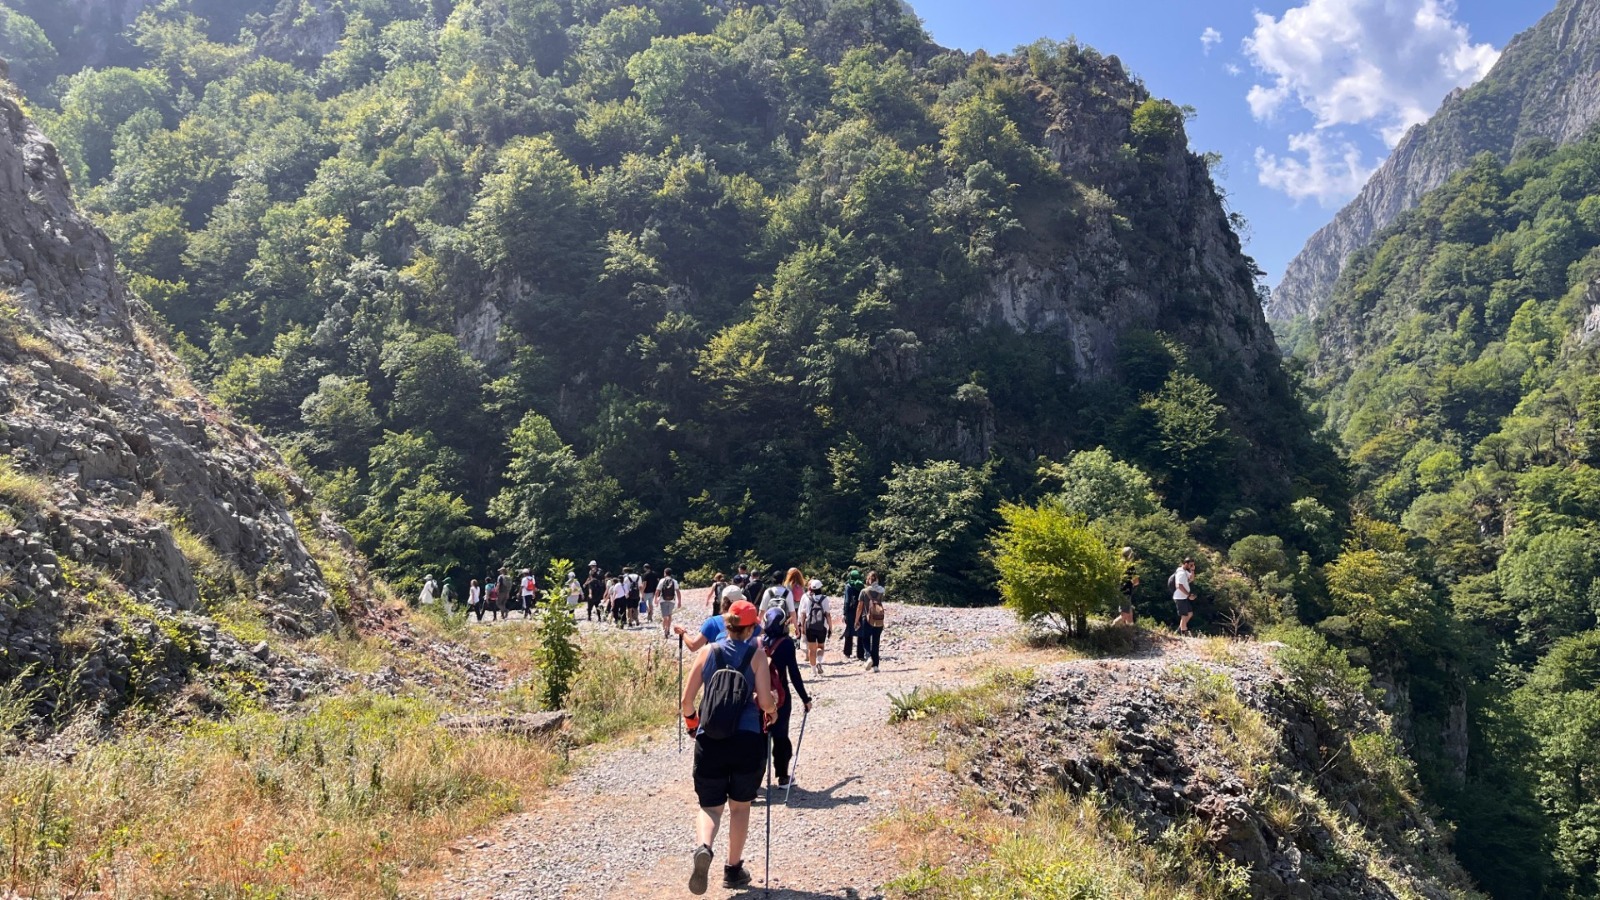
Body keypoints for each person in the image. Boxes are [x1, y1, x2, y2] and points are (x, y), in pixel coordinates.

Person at [680, 600, 777, 894]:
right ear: (750, 628)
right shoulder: (757, 656)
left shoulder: (708, 652)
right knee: (740, 807)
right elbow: (764, 701)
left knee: (710, 807)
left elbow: (686, 702)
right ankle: (733, 870)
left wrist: (693, 724)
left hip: (711, 738)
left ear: (727, 625)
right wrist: (771, 711)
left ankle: (704, 847)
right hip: (747, 739)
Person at [760, 606, 811, 788]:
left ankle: (755, 779)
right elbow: (794, 673)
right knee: (781, 736)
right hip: (780, 695)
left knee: (760, 736)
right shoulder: (787, 644)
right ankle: (782, 777)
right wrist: (805, 699)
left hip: (760, 694)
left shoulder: (759, 642)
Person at [676, 587, 742, 652]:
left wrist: (683, 632)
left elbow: (693, 646)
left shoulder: (713, 622)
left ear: (723, 602)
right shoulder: (749, 623)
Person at [854, 570, 886, 673]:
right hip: (879, 618)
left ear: (868, 579)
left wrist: (856, 620)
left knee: (865, 639)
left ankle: (869, 657)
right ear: (877, 579)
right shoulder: (882, 591)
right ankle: (876, 666)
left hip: (866, 618)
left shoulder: (864, 591)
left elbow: (860, 607)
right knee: (876, 642)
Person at [799, 579, 832, 676]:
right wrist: (830, 628)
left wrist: (802, 627)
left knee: (811, 649)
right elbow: (828, 615)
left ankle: (813, 671)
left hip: (810, 626)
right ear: (820, 588)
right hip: (822, 626)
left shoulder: (808, 598)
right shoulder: (825, 599)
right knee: (820, 647)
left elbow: (803, 614)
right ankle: (819, 661)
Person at [841, 567, 865, 661]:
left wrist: (844, 613)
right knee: (860, 632)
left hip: (851, 611)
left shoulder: (848, 586)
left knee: (849, 631)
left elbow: (847, 601)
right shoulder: (862, 586)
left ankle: (847, 653)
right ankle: (860, 654)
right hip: (861, 610)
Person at [1172, 557, 1197, 635]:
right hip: (1179, 597)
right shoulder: (1181, 573)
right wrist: (1189, 595)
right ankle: (1183, 632)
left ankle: (1180, 629)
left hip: (1183, 597)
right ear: (1186, 564)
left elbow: (1191, 579)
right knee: (1184, 615)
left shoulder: (1185, 571)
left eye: (1193, 565)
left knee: (1189, 613)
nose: (1191, 566)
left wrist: (1192, 570)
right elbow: (1179, 585)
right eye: (1190, 565)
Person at [1117, 548, 1138, 626]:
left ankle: (1131, 628)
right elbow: (1136, 581)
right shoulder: (1130, 566)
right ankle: (1112, 627)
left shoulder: (1118, 564)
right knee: (1125, 614)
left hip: (1118, 590)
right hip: (1126, 591)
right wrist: (1132, 584)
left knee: (1129, 611)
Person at [659, 567, 681, 638]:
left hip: (663, 600)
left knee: (665, 616)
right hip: (672, 600)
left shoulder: (662, 581)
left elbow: (657, 590)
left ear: (665, 573)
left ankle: (664, 629)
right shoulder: (674, 581)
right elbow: (678, 591)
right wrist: (679, 601)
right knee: (669, 615)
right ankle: (668, 629)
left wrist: (656, 599)